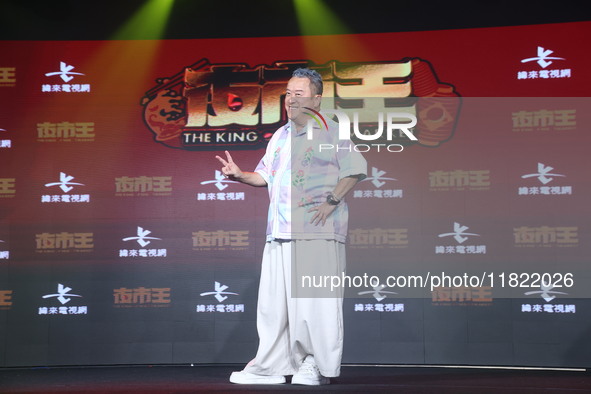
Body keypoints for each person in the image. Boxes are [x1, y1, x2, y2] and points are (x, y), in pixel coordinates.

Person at [216, 68, 367, 385]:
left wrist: (331, 202)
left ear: (317, 99)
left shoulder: (330, 130)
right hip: (279, 232)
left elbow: (354, 169)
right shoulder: (281, 136)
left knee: (314, 306)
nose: (291, 99)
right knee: (276, 308)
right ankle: (271, 367)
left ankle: (313, 365)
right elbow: (265, 176)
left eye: (299, 93)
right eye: (287, 93)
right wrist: (239, 175)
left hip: (317, 232)